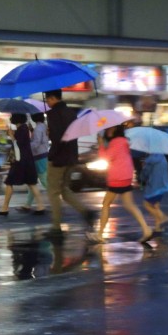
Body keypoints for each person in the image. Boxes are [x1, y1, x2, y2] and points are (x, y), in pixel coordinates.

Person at [87, 125, 154, 244]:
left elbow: (106, 157)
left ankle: (99, 234)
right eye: (107, 129)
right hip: (127, 176)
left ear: (116, 130)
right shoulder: (124, 141)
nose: (108, 130)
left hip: (117, 177)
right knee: (130, 205)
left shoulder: (116, 142)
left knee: (106, 204)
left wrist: (101, 144)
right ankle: (146, 229)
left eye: (110, 129)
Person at [44, 89, 95, 237]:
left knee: (53, 192)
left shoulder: (53, 114)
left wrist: (51, 154)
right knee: (65, 190)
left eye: (48, 100)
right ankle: (86, 212)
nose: (47, 102)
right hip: (71, 158)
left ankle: (56, 228)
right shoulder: (71, 113)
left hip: (58, 158)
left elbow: (58, 138)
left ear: (53, 98)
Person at [0, 113, 45, 216]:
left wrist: (12, 135)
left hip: (20, 160)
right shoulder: (24, 128)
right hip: (27, 160)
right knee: (31, 182)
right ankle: (40, 206)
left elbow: (18, 146)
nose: (10, 118)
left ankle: (4, 208)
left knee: (9, 182)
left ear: (17, 118)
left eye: (12, 116)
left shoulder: (22, 129)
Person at [17, 112, 49, 213]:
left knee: (43, 181)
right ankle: (27, 204)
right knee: (32, 181)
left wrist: (27, 146)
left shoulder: (39, 128)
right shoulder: (43, 127)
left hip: (39, 157)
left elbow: (36, 142)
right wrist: (32, 131)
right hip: (42, 156)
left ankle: (56, 198)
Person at [141, 153, 168, 234]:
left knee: (146, 204)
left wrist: (143, 167)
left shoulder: (150, 160)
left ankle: (164, 217)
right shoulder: (163, 157)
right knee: (156, 206)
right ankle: (158, 227)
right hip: (163, 185)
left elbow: (145, 173)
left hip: (154, 187)